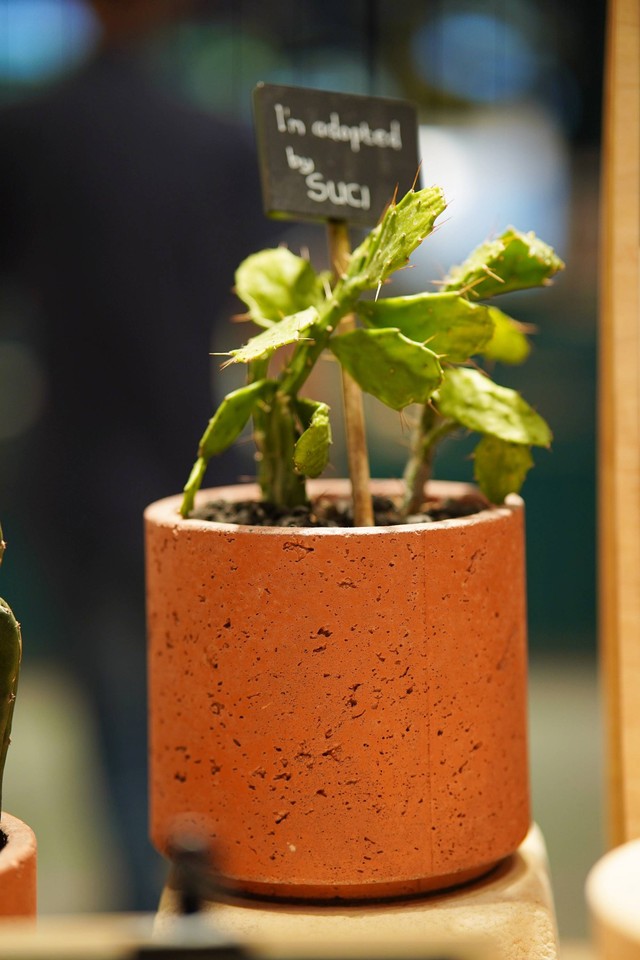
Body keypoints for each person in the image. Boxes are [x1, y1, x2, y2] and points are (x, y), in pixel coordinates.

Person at [0, 0, 281, 909]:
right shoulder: (218, 141)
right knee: (208, 713)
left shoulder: (30, 131)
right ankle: (207, 898)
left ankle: (139, 901)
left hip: (75, 466)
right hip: (197, 469)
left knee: (116, 716)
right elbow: (258, 301)